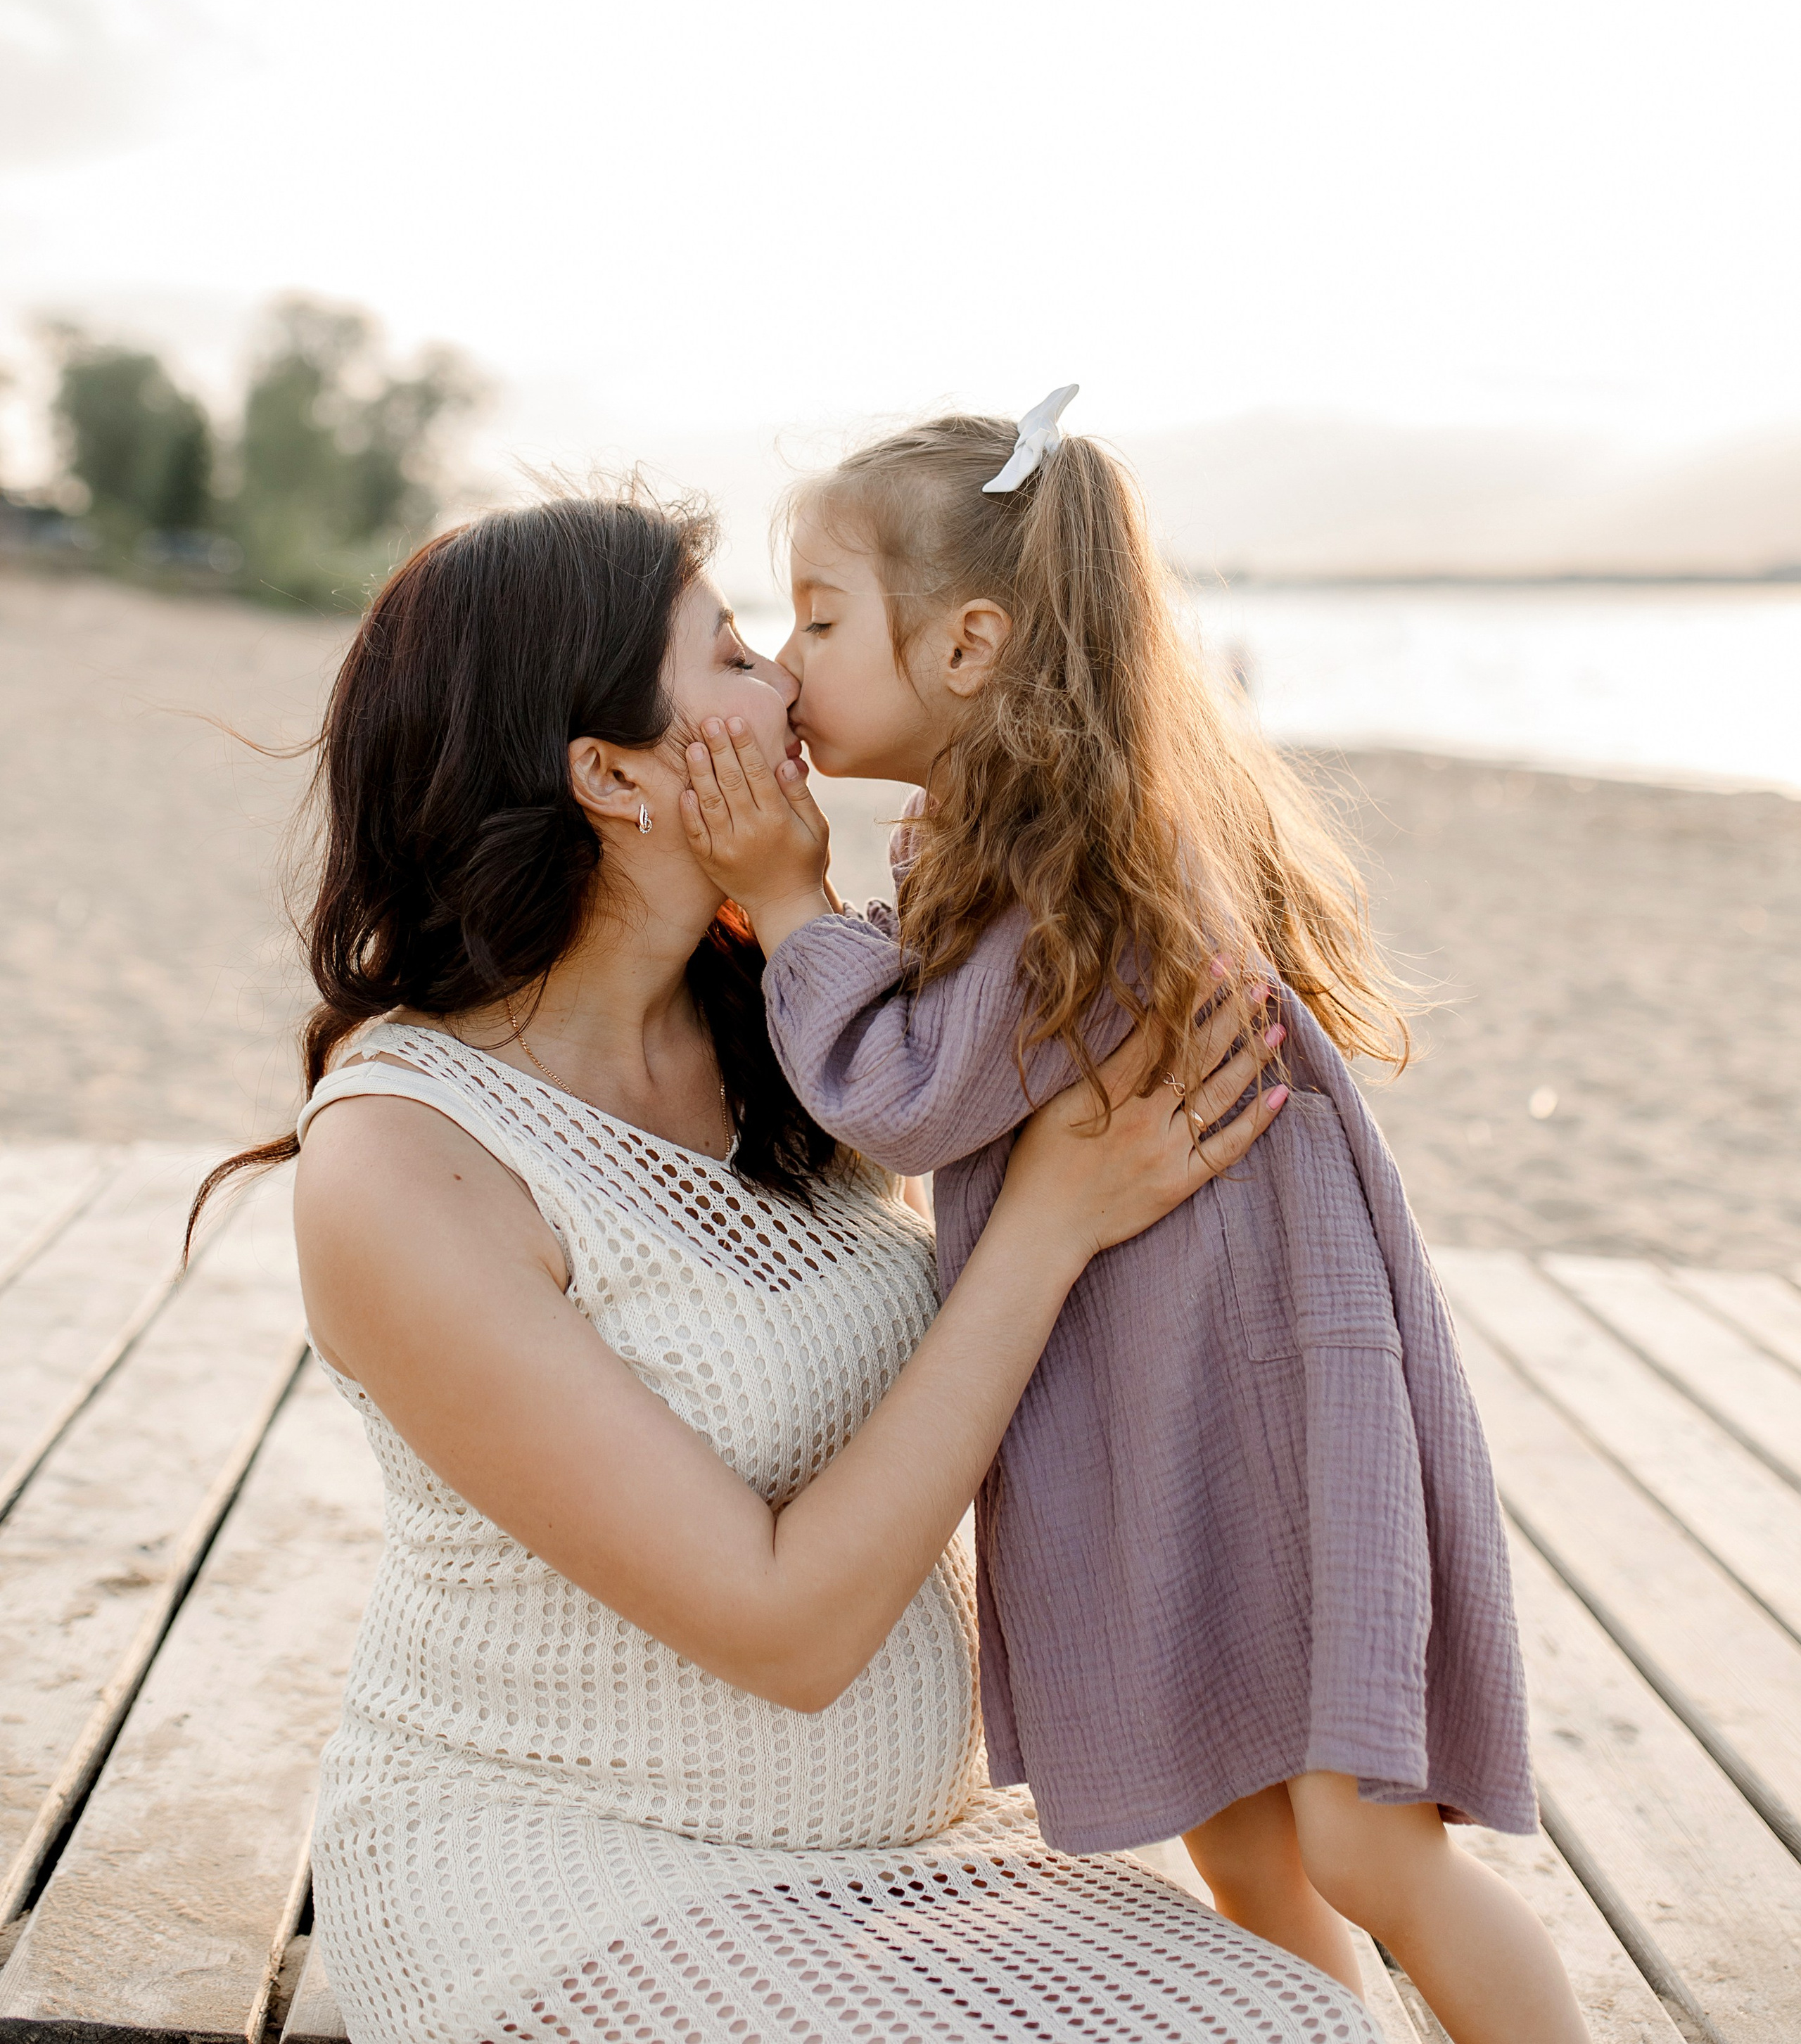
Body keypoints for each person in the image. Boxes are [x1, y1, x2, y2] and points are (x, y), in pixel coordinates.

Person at [191, 489, 1385, 2044]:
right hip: (559, 1868)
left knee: (1306, 2024)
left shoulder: (801, 1035)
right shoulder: (408, 1160)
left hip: (914, 1861)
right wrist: (1048, 1218)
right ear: (611, 772)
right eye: (737, 653)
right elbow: (782, 1626)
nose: (790, 690)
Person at [678, 393, 1591, 2044]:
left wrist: (798, 896)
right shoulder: (1009, 828)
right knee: (1245, 1848)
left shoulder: (1086, 853)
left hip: (1265, 1392)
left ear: (968, 644)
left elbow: (904, 1096)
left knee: (1366, 1847)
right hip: (1179, 1380)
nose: (786, 659)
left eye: (817, 619)